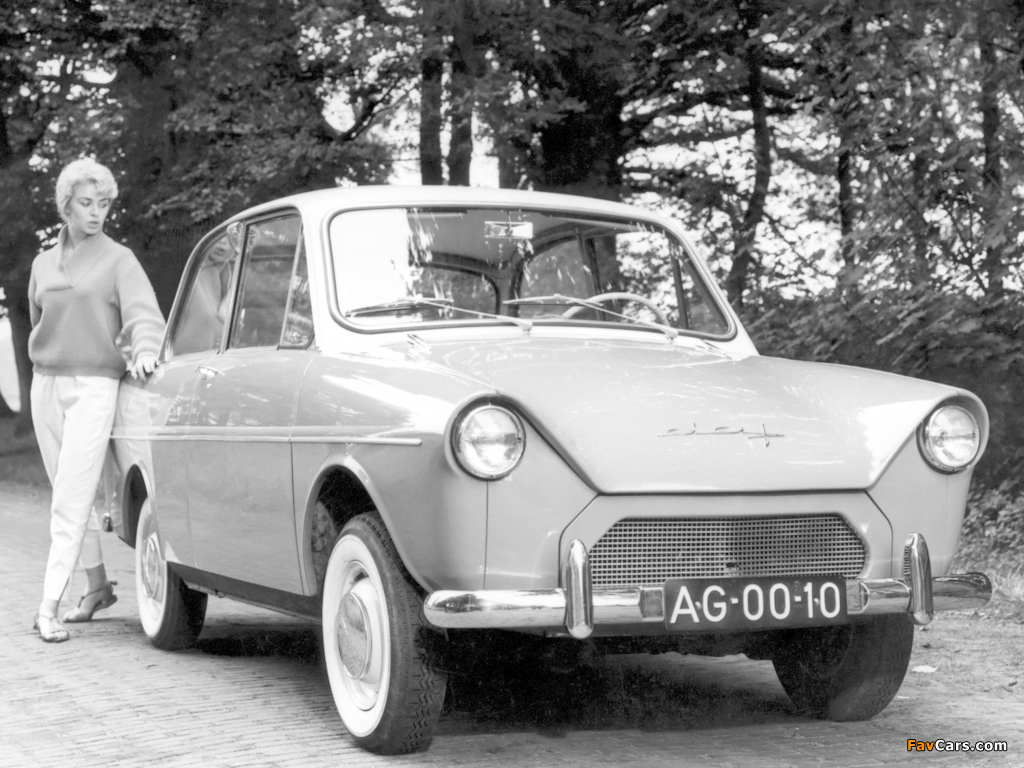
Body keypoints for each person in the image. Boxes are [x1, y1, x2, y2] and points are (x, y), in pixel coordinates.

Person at [28, 158, 165, 642]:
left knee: (70, 499)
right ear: (66, 205)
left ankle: (47, 606)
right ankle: (97, 587)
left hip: (94, 387)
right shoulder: (42, 264)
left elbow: (144, 314)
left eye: (103, 204)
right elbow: (38, 322)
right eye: (86, 203)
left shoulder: (119, 259)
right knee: (67, 492)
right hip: (46, 385)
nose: (96, 212)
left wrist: (145, 350)